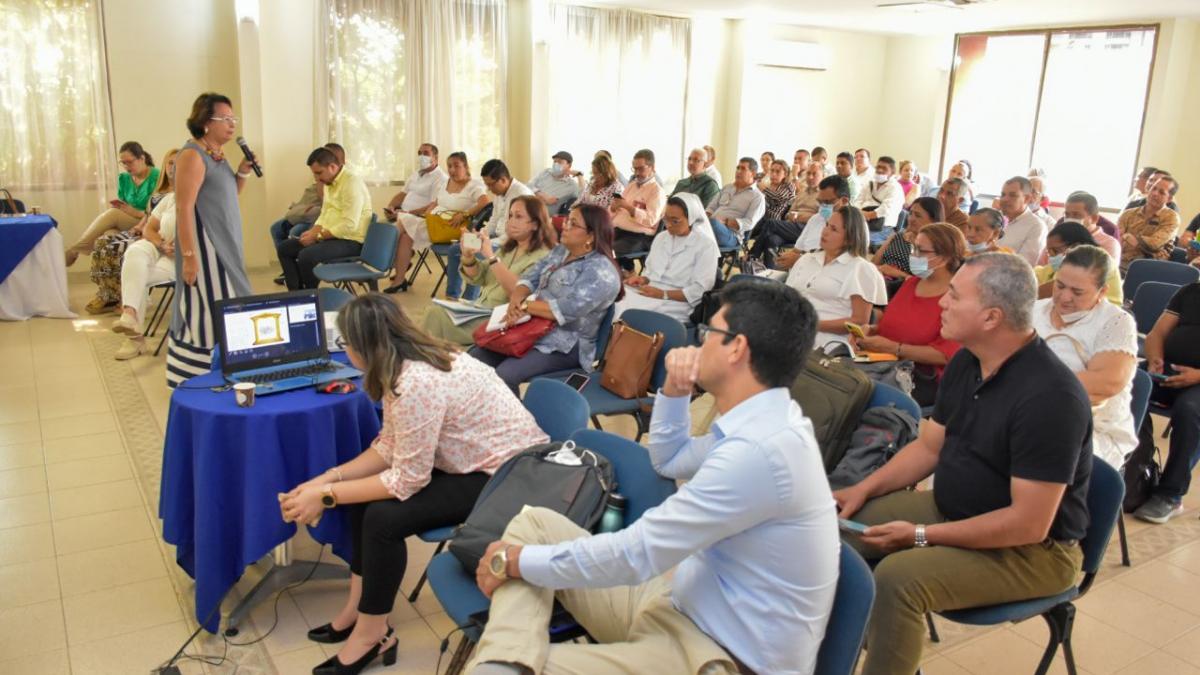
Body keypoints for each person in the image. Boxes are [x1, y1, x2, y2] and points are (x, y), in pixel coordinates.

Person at [466, 281, 838, 675]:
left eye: (709, 333)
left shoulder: (760, 452)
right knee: (533, 523)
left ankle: (503, 661)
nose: (698, 344)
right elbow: (669, 460)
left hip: (718, 653)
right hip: (679, 606)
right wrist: (675, 391)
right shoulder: (763, 426)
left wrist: (519, 563)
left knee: (522, 562)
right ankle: (508, 658)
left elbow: (638, 554)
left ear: (736, 348)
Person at [834, 252, 1093, 675]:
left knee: (899, 578)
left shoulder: (1051, 398)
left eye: (954, 296)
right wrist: (862, 488)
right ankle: (857, 645)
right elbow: (928, 449)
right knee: (838, 525)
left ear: (991, 317)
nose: (942, 302)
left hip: (1034, 552)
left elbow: (1029, 524)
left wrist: (920, 535)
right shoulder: (968, 361)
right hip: (955, 507)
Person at [281, 294, 548, 675]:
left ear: (362, 348)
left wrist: (325, 496)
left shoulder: (416, 381)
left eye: (345, 345)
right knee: (362, 502)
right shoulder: (403, 361)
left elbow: (407, 479)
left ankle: (374, 634)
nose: (346, 353)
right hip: (468, 458)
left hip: (507, 474)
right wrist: (328, 479)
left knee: (383, 521)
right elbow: (390, 445)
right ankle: (359, 608)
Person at [469, 203, 622, 392]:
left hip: (565, 343)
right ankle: (481, 417)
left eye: (573, 224)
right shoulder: (561, 251)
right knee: (475, 359)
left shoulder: (601, 272)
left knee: (504, 375)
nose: (564, 225)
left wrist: (524, 306)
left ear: (591, 235)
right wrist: (517, 299)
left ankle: (515, 421)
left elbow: (567, 309)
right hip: (531, 327)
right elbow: (530, 277)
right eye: (567, 220)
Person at [167, 92, 255, 387]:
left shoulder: (217, 153)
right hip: (207, 246)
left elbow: (227, 197)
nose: (232, 124)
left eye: (234, 119)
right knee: (212, 307)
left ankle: (230, 368)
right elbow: (184, 208)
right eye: (225, 119)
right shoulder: (192, 155)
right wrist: (190, 257)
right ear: (206, 122)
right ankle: (199, 375)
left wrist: (242, 173)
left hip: (227, 240)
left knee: (229, 304)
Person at [1031, 245, 1137, 470]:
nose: (1065, 297)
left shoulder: (1115, 322)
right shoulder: (1034, 311)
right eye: (1060, 286)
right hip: (1025, 412)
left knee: (1038, 451)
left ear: (1102, 292)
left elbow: (1106, 383)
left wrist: (1027, 386)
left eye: (1078, 292)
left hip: (1090, 427)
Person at [856, 223, 966, 406]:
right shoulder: (911, 283)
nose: (913, 255)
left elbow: (945, 354)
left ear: (944, 257)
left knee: (855, 395)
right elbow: (894, 325)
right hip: (882, 362)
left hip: (919, 379)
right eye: (914, 248)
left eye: (921, 251)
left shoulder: (957, 297)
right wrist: (871, 330)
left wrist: (895, 348)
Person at [423, 196, 555, 346]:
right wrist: (468, 256)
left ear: (536, 224)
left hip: (500, 318)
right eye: (510, 216)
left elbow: (518, 293)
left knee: (435, 315)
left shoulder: (543, 256)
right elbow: (478, 277)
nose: (511, 221)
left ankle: (423, 361)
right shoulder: (509, 249)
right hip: (480, 309)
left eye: (518, 216)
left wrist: (491, 256)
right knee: (435, 308)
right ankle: (429, 361)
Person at [83, 149, 178, 315]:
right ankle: (107, 294)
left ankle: (124, 297)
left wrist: (140, 224)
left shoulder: (177, 193)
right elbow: (149, 215)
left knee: (116, 247)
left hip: (156, 238)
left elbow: (152, 220)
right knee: (103, 242)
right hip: (144, 229)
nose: (173, 167)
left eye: (130, 162)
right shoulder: (160, 189)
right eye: (170, 163)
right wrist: (139, 227)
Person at [1137, 281, 1200, 522]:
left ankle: (1170, 494)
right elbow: (1157, 333)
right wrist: (1155, 359)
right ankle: (1133, 467)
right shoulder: (1191, 291)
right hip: (1167, 369)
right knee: (1129, 385)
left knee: (1189, 411)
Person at [385, 151, 491, 293]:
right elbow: (434, 203)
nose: (452, 170)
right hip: (435, 223)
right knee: (405, 236)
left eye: (456, 166)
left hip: (451, 228)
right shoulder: (446, 182)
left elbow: (485, 203)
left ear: (466, 166)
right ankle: (399, 281)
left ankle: (385, 258)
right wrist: (426, 213)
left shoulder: (474, 185)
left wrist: (465, 214)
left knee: (403, 220)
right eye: (449, 166)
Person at [110, 151, 181, 359]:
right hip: (157, 246)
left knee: (134, 275)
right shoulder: (169, 199)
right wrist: (159, 243)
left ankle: (134, 339)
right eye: (170, 163)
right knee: (134, 251)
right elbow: (150, 228)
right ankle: (130, 315)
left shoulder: (201, 198)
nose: (173, 168)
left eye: (178, 164)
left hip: (177, 257)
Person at [784, 205, 887, 348]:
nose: (825, 232)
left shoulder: (861, 269)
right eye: (827, 225)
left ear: (850, 239)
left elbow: (859, 321)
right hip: (789, 332)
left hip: (826, 342)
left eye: (834, 229)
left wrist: (813, 324)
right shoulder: (807, 259)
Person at [276, 147, 370, 291]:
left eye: (319, 173)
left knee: (306, 256)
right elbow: (325, 213)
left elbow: (349, 225)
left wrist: (317, 236)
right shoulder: (329, 183)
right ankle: (296, 293)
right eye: (314, 174)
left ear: (332, 167)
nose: (317, 178)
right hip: (332, 237)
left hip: (351, 240)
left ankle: (311, 296)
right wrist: (313, 231)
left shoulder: (352, 183)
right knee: (284, 248)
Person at [615, 194, 719, 323]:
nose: (668, 225)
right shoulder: (661, 238)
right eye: (665, 219)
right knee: (614, 298)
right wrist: (642, 279)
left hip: (678, 302)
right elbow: (651, 274)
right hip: (651, 292)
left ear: (691, 219)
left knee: (627, 311)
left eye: (675, 221)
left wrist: (663, 294)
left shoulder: (706, 246)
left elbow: (700, 290)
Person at [443, 160, 533, 302]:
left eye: (491, 184)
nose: (489, 189)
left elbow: (514, 234)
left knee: (476, 251)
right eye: (486, 184)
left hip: (513, 241)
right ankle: (452, 295)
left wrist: (485, 242)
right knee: (455, 249)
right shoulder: (500, 193)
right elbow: (493, 219)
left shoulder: (522, 195)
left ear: (503, 180)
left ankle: (470, 299)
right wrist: (480, 234)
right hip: (495, 237)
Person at [66, 141, 162, 267]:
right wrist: (122, 207)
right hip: (127, 221)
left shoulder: (157, 176)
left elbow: (157, 212)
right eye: (123, 163)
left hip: (148, 223)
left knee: (113, 214)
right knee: (108, 235)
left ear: (142, 158)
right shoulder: (124, 178)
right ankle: (114, 283)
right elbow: (123, 205)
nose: (126, 166)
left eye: (130, 162)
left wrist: (131, 211)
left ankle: (75, 250)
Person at [1035, 221, 1123, 305]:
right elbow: (1040, 272)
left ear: (1075, 246)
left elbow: (1054, 289)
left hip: (1102, 315)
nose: (1051, 256)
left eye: (1055, 251)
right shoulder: (1066, 261)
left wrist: (1030, 293)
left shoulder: (1096, 259)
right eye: (1049, 252)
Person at [872, 196, 943, 289]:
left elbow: (923, 282)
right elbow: (874, 262)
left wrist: (898, 274)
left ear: (933, 221)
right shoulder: (898, 236)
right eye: (910, 213)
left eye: (918, 215)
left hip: (904, 287)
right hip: (880, 280)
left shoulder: (932, 248)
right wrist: (880, 269)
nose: (911, 219)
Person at [611, 149, 665, 264]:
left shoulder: (657, 191)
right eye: (634, 169)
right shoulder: (631, 186)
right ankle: (627, 271)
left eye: (641, 169)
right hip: (618, 231)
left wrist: (629, 208)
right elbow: (617, 209)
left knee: (608, 252)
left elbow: (651, 220)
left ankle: (626, 272)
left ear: (652, 167)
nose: (636, 173)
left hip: (638, 237)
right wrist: (613, 208)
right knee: (593, 244)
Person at [1119, 173, 1181, 270]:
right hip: (1120, 263)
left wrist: (1130, 238)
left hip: (1149, 267)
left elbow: (1154, 244)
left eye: (1161, 192)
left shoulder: (1171, 217)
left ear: (1169, 199)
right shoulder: (1128, 214)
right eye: (1154, 188)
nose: (1155, 193)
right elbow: (1117, 239)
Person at [745, 160, 801, 268]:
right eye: (772, 171)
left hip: (775, 222)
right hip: (762, 223)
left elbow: (778, 197)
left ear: (785, 174)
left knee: (756, 223)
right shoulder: (767, 185)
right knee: (770, 239)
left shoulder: (788, 186)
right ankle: (767, 269)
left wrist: (764, 189)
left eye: (778, 171)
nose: (774, 174)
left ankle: (751, 254)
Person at [705, 157, 765, 250]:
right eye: (738, 168)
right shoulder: (727, 188)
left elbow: (749, 223)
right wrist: (702, 218)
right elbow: (711, 208)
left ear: (752, 173)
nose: (738, 171)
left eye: (743, 169)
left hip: (731, 235)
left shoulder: (757, 197)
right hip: (712, 226)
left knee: (713, 224)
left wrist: (725, 222)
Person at [1044, 191, 1121, 262]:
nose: (1070, 219)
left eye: (1076, 215)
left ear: (1094, 218)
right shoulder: (1057, 238)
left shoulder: (1108, 244)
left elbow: (1105, 275)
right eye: (1067, 215)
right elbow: (1039, 267)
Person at [382, 143, 448, 223]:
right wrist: (390, 207)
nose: (421, 156)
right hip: (402, 214)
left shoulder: (441, 178)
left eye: (426, 153)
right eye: (419, 153)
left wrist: (406, 214)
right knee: (376, 227)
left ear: (436, 158)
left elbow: (433, 206)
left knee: (384, 232)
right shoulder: (416, 173)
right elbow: (402, 194)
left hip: (418, 218)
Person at [996, 176, 1047, 266]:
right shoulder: (995, 217)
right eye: (1003, 195)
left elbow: (1025, 265)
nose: (1005, 199)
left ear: (1027, 199)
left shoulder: (1036, 226)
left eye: (1012, 195)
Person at [853, 155, 905, 232]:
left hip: (883, 228)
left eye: (884, 168)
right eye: (878, 167)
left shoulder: (896, 188)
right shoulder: (869, 184)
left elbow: (886, 209)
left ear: (892, 172)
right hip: (862, 222)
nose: (880, 170)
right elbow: (858, 200)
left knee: (858, 240)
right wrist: (859, 212)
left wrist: (866, 215)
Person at [528, 151, 581, 216]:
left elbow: (582, 197)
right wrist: (541, 195)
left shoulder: (571, 185)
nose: (556, 164)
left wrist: (579, 175)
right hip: (529, 208)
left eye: (559, 162)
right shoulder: (545, 172)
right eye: (554, 161)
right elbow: (528, 185)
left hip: (545, 216)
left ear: (569, 165)